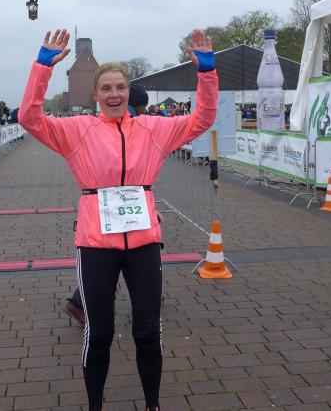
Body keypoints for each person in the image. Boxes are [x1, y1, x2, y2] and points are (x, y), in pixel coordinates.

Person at [19, 28, 218, 411]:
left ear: (129, 92)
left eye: (121, 88)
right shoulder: (77, 130)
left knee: (148, 331)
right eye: (106, 88)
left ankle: (153, 405)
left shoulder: (154, 128)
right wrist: (42, 67)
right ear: (95, 95)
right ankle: (95, 405)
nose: (114, 94)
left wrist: (206, 72)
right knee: (100, 333)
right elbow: (29, 118)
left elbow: (203, 118)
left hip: (143, 241)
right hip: (96, 245)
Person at [63, 82, 152, 325]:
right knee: (115, 259)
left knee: (110, 260)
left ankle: (82, 302)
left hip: (114, 205)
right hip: (117, 206)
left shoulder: (131, 122)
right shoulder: (130, 121)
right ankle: (81, 303)